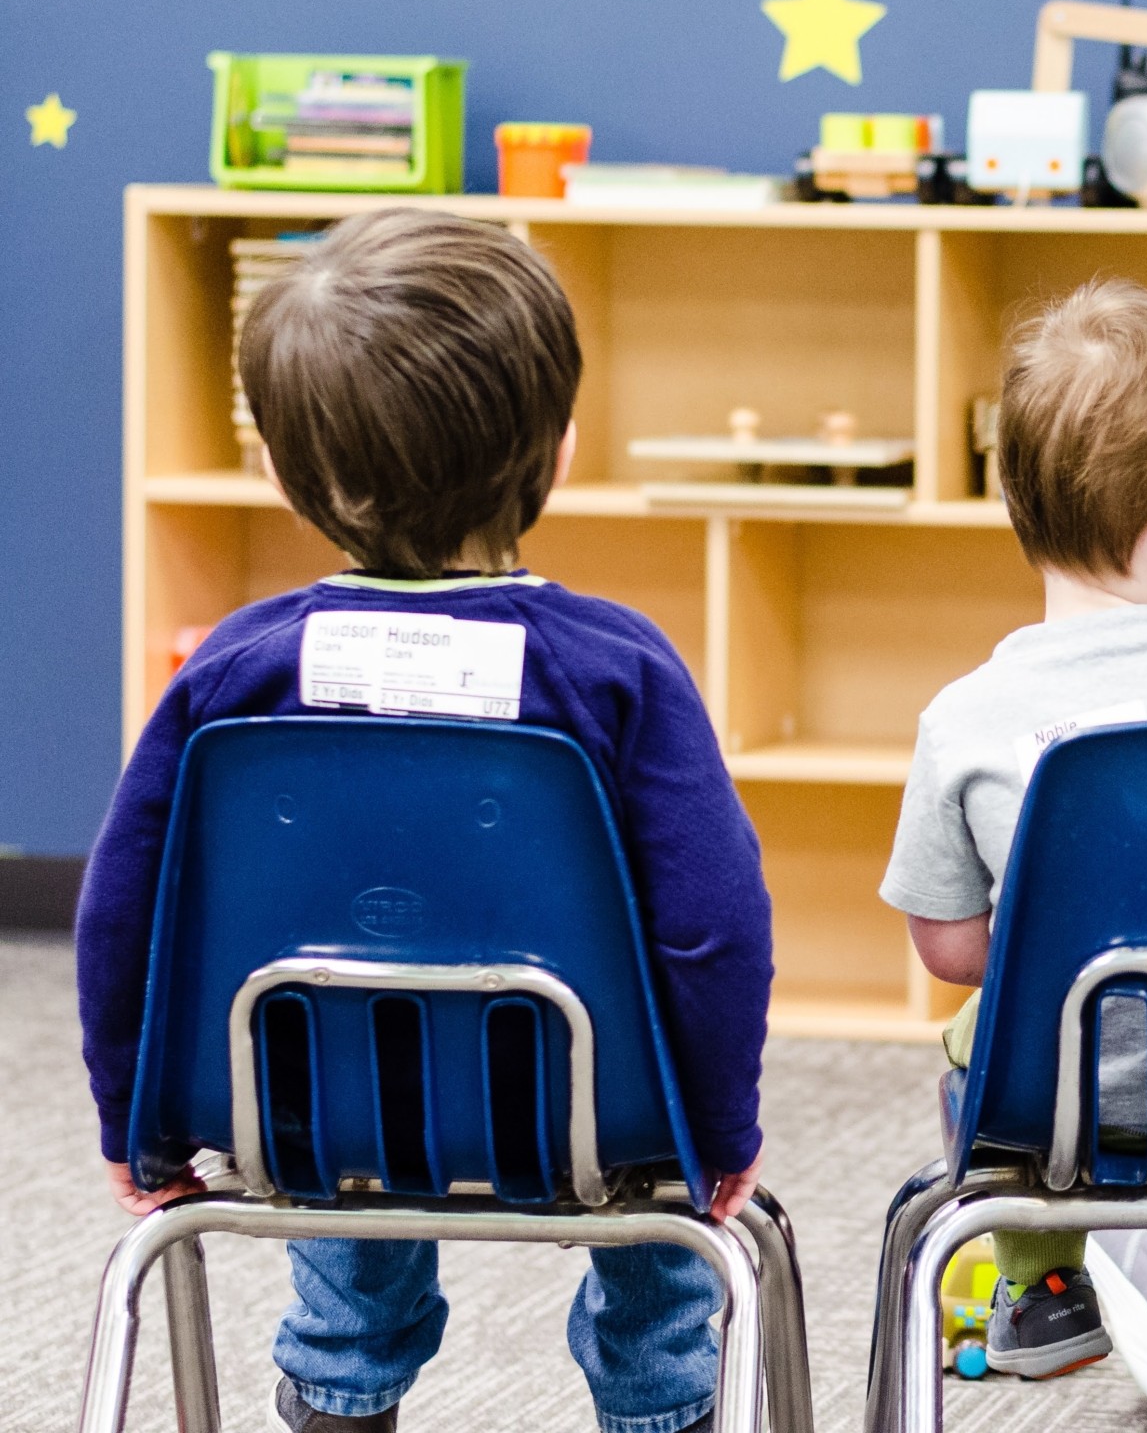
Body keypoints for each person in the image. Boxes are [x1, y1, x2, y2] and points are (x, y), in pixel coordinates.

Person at [75, 209, 774, 1433]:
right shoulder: (619, 670)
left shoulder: (229, 672)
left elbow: (122, 912)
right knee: (666, 1200)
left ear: (286, 475)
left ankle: (342, 1382)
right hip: (590, 1120)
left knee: (340, 1100)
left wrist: (134, 1124)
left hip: (306, 1115)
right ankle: (662, 1400)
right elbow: (714, 928)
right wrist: (719, 1129)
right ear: (556, 451)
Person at [881, 279, 1147, 1381]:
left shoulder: (963, 715)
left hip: (1066, 1104)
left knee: (974, 1034)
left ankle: (1038, 1277)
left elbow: (946, 949)